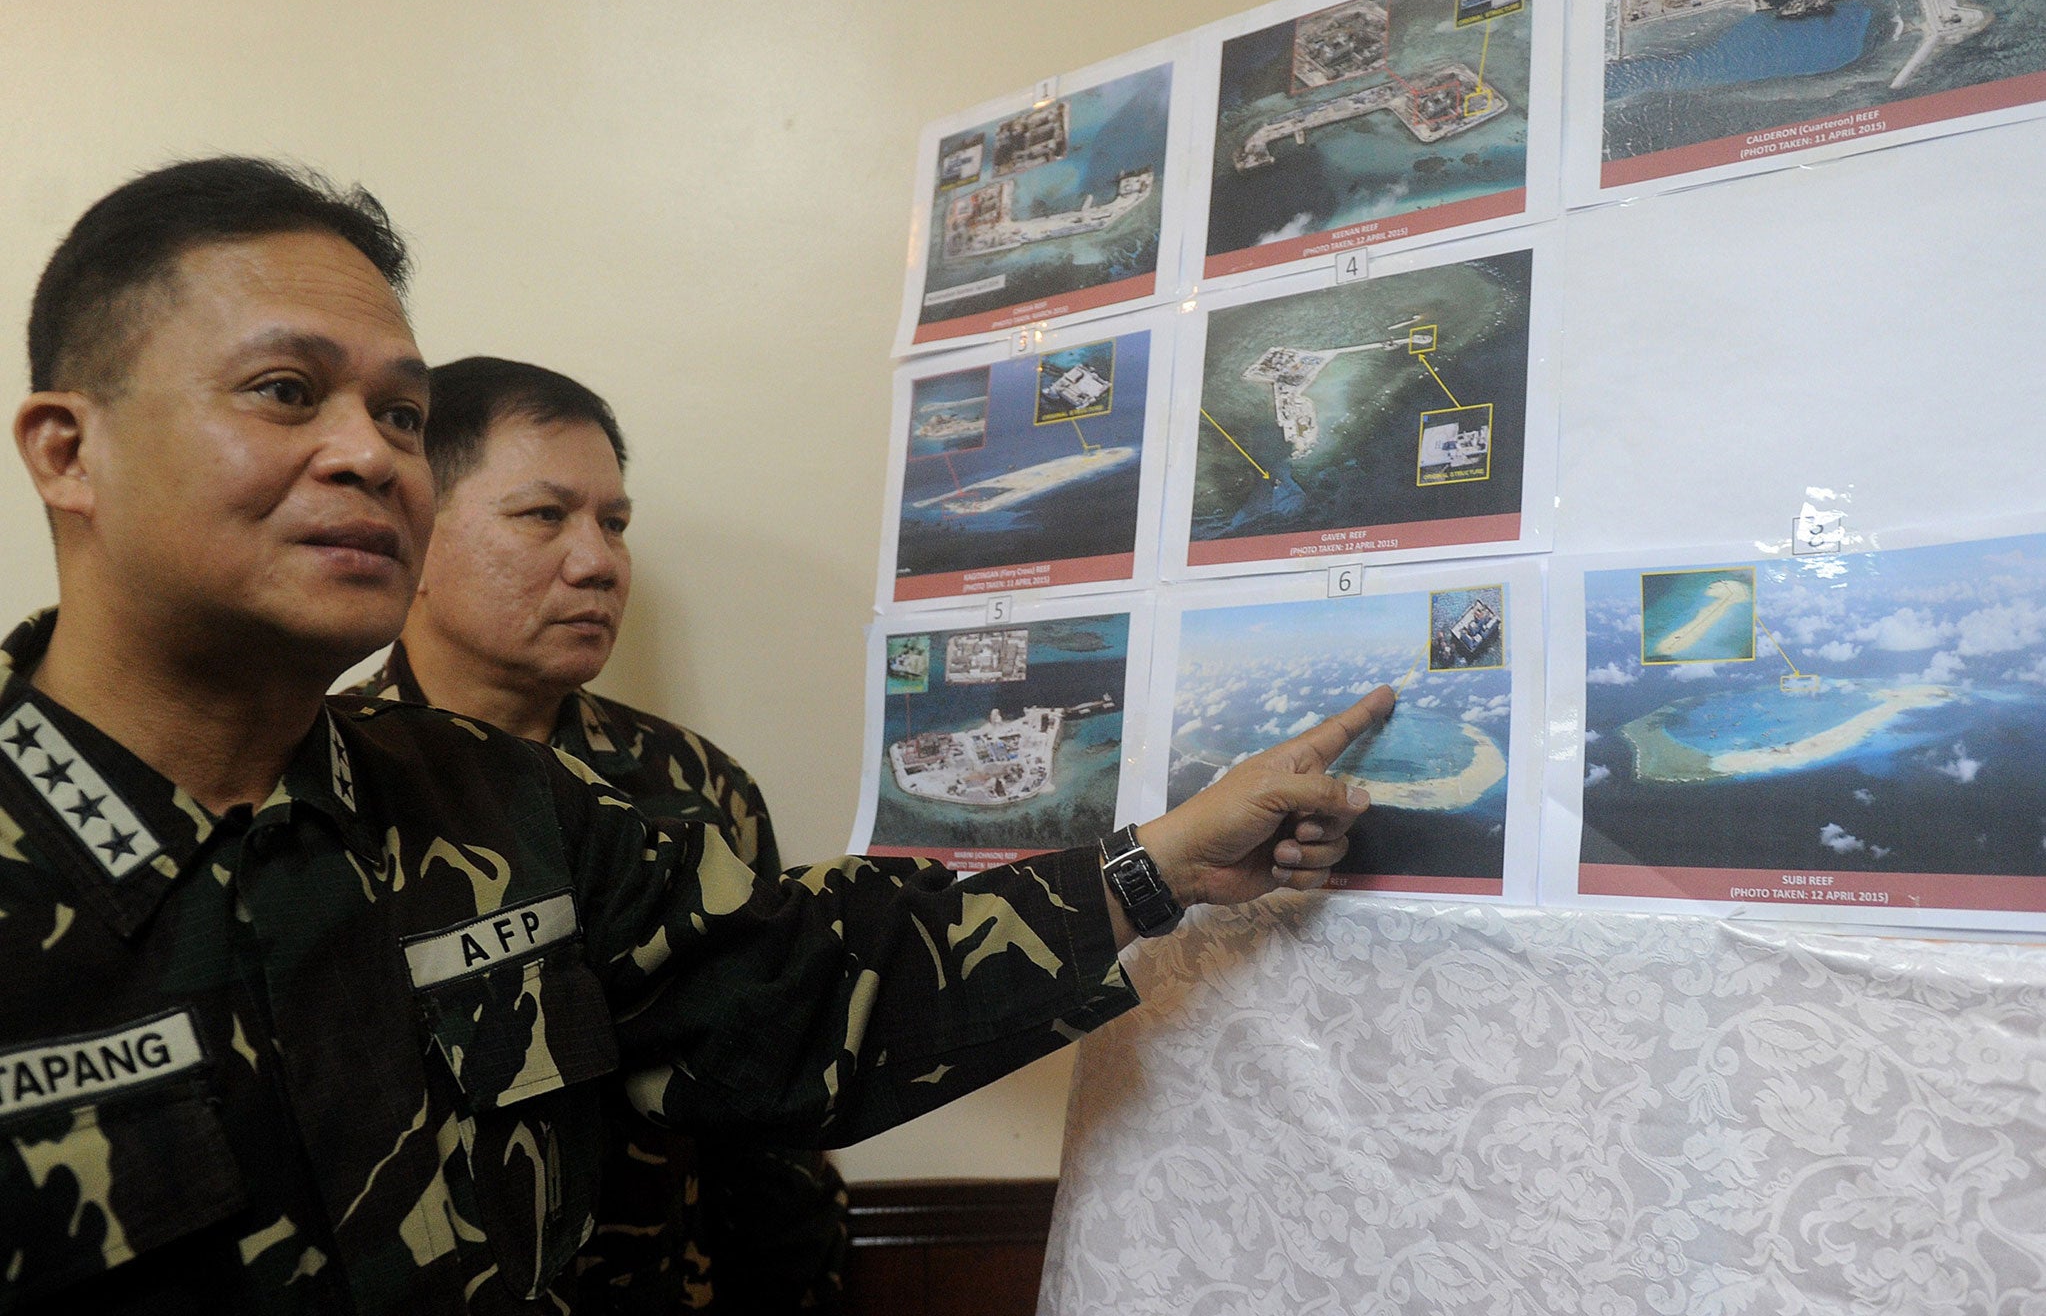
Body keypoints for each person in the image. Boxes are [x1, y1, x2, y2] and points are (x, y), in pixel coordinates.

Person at [0, 157, 1392, 1314]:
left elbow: (803, 1000)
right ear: (69, 451)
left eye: (402, 415)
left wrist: (1157, 866)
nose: (370, 454)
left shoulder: (496, 809)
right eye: (286, 392)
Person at [352, 355, 847, 1313]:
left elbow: (771, 1102)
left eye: (613, 523)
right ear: (411, 530)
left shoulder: (694, 786)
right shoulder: (327, 786)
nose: (598, 561)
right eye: (545, 516)